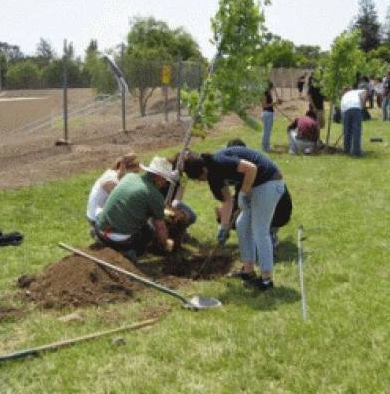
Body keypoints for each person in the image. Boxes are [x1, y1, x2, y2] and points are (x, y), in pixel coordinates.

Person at [182, 147, 285, 291]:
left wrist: (243, 193)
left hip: (269, 182)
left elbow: (252, 168)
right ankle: (248, 271)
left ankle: (266, 280)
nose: (201, 181)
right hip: (255, 186)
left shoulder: (220, 161)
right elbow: (227, 201)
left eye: (200, 177)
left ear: (204, 169)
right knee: (241, 224)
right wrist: (223, 227)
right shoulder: (212, 178)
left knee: (259, 230)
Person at [94, 156, 178, 259]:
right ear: (159, 177)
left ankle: (108, 242)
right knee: (149, 232)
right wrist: (165, 244)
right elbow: (160, 227)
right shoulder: (156, 196)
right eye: (165, 180)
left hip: (99, 229)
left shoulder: (129, 177)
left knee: (143, 226)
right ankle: (129, 254)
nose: (165, 184)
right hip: (117, 240)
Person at [86, 153, 140, 231]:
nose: (135, 176)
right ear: (123, 167)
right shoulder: (111, 180)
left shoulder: (113, 174)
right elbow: (122, 201)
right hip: (95, 217)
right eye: (134, 173)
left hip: (98, 213)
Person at [340, 86, 367, 157]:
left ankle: (346, 150)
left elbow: (342, 112)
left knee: (347, 131)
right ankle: (356, 151)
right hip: (356, 108)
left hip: (346, 111)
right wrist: (362, 104)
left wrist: (345, 123)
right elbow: (365, 91)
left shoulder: (343, 97)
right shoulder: (355, 92)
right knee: (356, 131)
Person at [261, 81, 276, 152]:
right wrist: (274, 103)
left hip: (270, 113)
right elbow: (264, 105)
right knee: (266, 131)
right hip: (267, 114)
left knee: (268, 131)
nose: (271, 89)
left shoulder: (268, 93)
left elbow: (270, 104)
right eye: (271, 88)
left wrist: (275, 103)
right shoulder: (265, 94)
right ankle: (265, 147)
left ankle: (267, 145)